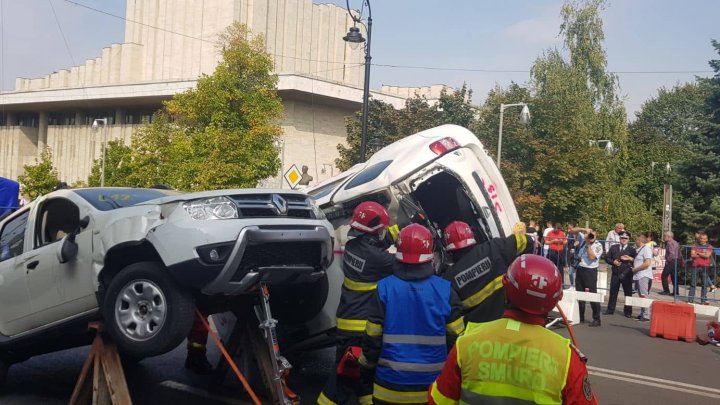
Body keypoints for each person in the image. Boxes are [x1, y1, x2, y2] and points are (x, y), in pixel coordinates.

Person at [428, 255, 598, 405]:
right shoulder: (566, 358)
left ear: (506, 289)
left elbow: (438, 400)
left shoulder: (467, 342)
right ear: (555, 301)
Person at [359, 224, 464, 405]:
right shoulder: (445, 290)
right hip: (433, 389)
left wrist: (366, 369)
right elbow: (457, 340)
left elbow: (372, 338)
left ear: (398, 252)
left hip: (389, 388)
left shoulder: (384, 288)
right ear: (429, 254)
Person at [318, 201, 396, 405]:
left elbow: (380, 240)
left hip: (346, 323)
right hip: (360, 329)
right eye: (381, 229)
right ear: (373, 230)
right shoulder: (379, 259)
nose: (383, 233)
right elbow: (405, 264)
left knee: (360, 378)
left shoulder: (352, 247)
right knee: (343, 380)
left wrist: (400, 228)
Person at [442, 220, 530, 324]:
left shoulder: (449, 279)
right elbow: (525, 240)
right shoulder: (495, 247)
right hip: (509, 321)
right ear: (471, 236)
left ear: (449, 249)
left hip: (479, 332)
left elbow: (454, 316)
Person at [570, 228, 604, 327]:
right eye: (590, 235)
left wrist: (588, 244)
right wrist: (584, 229)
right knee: (579, 294)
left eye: (593, 235)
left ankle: (597, 319)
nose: (590, 237)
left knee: (592, 295)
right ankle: (580, 317)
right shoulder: (583, 240)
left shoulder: (598, 245)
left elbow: (592, 257)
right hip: (580, 269)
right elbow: (572, 231)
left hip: (590, 271)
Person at [604, 231, 636, 317]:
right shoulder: (614, 247)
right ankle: (610, 309)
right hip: (615, 273)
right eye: (622, 238)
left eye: (626, 238)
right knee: (613, 292)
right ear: (619, 239)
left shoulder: (632, 250)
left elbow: (636, 261)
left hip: (627, 274)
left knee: (628, 293)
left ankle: (628, 312)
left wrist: (630, 259)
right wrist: (613, 261)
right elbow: (607, 258)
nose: (624, 240)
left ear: (628, 240)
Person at [628, 233, 653, 321]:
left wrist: (636, 269)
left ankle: (646, 315)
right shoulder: (639, 250)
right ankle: (643, 313)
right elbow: (638, 260)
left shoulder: (646, 249)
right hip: (639, 275)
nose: (635, 242)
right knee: (641, 295)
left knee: (643, 294)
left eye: (636, 240)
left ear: (640, 240)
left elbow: (647, 263)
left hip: (644, 275)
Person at [689, 231, 714, 305]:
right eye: (701, 238)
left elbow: (707, 256)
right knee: (693, 283)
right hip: (695, 266)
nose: (702, 240)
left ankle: (703, 300)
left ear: (707, 239)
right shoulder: (695, 245)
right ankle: (690, 300)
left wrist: (698, 253)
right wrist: (703, 254)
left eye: (704, 239)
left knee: (704, 284)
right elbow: (692, 255)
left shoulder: (709, 246)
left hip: (705, 267)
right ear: (699, 239)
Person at [659, 231, 680, 296]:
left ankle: (666, 290)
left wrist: (668, 260)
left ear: (669, 237)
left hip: (671, 261)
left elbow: (671, 253)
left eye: (665, 236)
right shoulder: (675, 242)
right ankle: (676, 292)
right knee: (674, 277)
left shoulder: (670, 243)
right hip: (676, 261)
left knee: (664, 275)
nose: (664, 237)